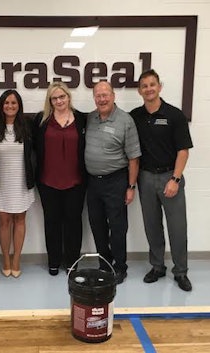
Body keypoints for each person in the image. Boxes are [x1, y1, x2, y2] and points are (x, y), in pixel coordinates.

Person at [130, 69, 194, 292]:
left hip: (170, 176)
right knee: (152, 226)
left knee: (177, 227)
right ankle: (157, 267)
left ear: (159, 87)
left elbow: (183, 151)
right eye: (144, 86)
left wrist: (175, 179)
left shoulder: (174, 115)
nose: (148, 89)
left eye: (152, 84)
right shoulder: (135, 116)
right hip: (145, 177)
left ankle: (181, 271)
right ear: (140, 91)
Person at [85, 81, 141, 285]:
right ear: (94, 98)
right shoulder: (91, 118)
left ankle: (120, 267)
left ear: (113, 95)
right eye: (98, 96)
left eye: (105, 95)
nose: (102, 99)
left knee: (117, 227)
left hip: (116, 181)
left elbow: (134, 158)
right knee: (97, 225)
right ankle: (104, 263)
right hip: (93, 183)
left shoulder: (125, 121)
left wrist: (131, 186)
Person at [33, 82, 87, 276]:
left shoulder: (82, 119)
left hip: (76, 182)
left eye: (62, 97)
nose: (59, 101)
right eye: (54, 98)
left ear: (68, 97)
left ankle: (72, 262)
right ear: (50, 100)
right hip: (48, 182)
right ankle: (54, 261)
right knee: (52, 222)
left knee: (74, 222)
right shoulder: (42, 120)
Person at [0, 90, 35, 278]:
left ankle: (16, 259)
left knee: (20, 220)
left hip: (21, 181)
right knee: (4, 222)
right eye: (6, 103)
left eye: (14, 103)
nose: (10, 106)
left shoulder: (27, 126)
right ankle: (5, 259)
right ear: (1, 105)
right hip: (1, 182)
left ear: (19, 106)